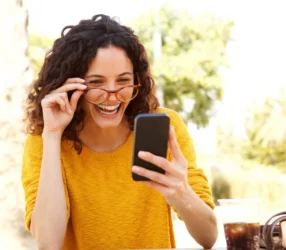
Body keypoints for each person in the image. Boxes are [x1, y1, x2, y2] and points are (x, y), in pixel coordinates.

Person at [21, 14, 218, 250]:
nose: (112, 93)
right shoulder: (46, 138)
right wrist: (52, 135)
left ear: (136, 79)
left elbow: (209, 236)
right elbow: (48, 243)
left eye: (123, 80)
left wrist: (182, 193)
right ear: (71, 85)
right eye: (96, 82)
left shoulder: (166, 127)